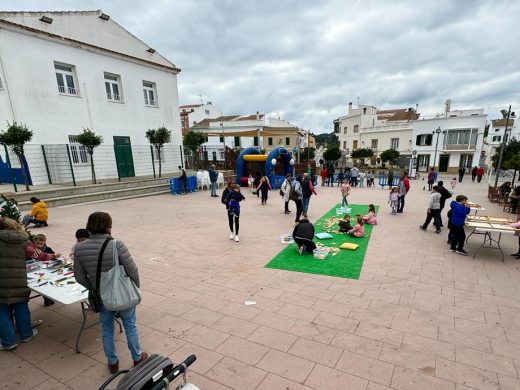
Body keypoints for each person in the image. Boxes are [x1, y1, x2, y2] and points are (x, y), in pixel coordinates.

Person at [74, 212, 147, 372]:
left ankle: (112, 362)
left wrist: (94, 287)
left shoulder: (78, 248)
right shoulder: (116, 245)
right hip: (122, 294)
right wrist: (135, 287)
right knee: (130, 325)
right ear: (108, 226)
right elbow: (132, 270)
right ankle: (136, 357)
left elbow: (79, 277)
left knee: (106, 329)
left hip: (101, 296)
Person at [0, 217, 38, 351]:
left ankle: (9, 342)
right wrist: (53, 256)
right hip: (19, 279)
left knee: (2, 310)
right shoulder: (23, 239)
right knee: (21, 305)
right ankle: (26, 334)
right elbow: (36, 254)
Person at [27, 234, 61, 307]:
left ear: (44, 242)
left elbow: (54, 256)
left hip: (47, 270)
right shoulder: (31, 250)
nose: (39, 246)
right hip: (35, 271)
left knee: (47, 284)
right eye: (37, 244)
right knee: (41, 285)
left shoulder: (48, 249)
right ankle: (47, 299)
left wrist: (56, 257)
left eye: (41, 244)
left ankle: (49, 299)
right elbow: (29, 260)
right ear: (34, 242)